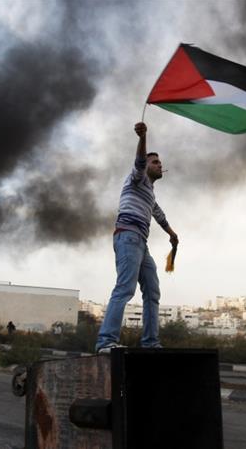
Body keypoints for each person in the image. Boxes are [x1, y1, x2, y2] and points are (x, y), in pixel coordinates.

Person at [95, 122, 178, 353]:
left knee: (152, 292)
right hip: (128, 238)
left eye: (160, 162)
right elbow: (140, 161)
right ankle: (105, 342)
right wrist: (143, 138)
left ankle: (151, 342)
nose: (159, 165)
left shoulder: (149, 192)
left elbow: (159, 215)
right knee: (125, 289)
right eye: (155, 162)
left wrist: (172, 235)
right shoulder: (137, 178)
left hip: (142, 244)